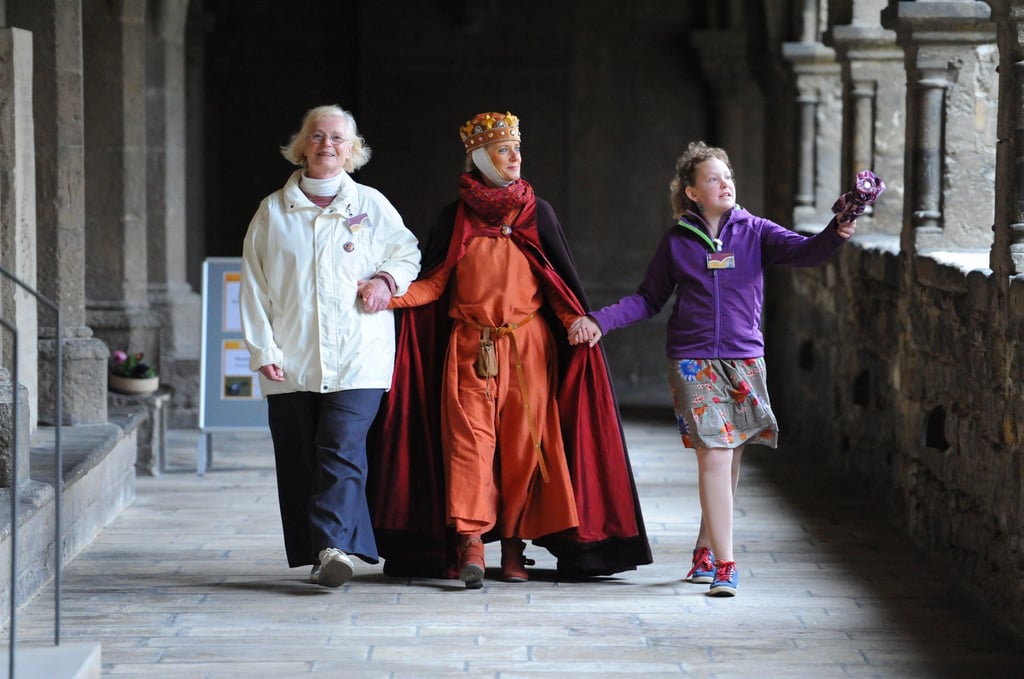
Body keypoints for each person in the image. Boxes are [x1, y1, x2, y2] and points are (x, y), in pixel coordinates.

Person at [570, 141, 879, 597]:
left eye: (728, 176)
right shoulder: (677, 242)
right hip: (693, 362)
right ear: (692, 192)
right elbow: (648, 299)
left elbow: (805, 251)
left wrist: (838, 228)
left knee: (729, 459)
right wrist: (599, 320)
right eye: (713, 178)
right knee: (714, 454)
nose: (725, 183)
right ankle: (727, 566)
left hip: (744, 359)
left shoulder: (755, 231)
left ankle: (704, 549)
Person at [367, 111, 651, 588]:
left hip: (528, 348)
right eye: (504, 150)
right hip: (468, 347)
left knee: (525, 450)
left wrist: (577, 321)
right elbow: (433, 284)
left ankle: (516, 547)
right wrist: (386, 295)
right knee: (468, 448)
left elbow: (557, 283)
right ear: (481, 157)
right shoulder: (454, 217)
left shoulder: (537, 214)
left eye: (518, 148)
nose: (516, 157)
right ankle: (472, 546)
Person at [240, 105, 421, 588]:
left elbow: (408, 253)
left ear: (352, 148)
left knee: (341, 450)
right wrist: (263, 350)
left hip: (359, 355)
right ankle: (325, 549)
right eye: (317, 136)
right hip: (291, 359)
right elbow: (254, 288)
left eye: (337, 138)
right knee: (301, 458)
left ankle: (333, 548)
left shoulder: (372, 205)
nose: (327, 145)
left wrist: (387, 279)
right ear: (302, 146)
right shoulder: (272, 212)